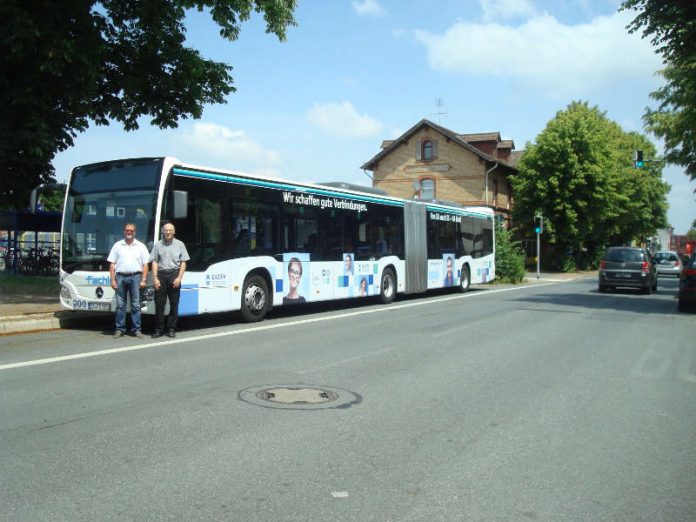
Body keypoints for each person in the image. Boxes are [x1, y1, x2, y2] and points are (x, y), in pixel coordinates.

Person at [108, 223, 150, 338]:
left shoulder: (141, 246)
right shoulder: (117, 245)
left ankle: (136, 330)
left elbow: (145, 264)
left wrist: (144, 280)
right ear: (124, 232)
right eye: (127, 230)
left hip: (136, 277)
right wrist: (112, 280)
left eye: (131, 231)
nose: (129, 232)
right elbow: (112, 264)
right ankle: (120, 329)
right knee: (120, 305)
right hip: (120, 277)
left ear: (135, 232)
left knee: (136, 305)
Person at [150, 222, 190, 338]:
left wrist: (179, 278)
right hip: (161, 275)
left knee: (174, 303)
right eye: (166, 230)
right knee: (159, 304)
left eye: (170, 230)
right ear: (163, 231)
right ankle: (159, 329)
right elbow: (155, 261)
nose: (168, 232)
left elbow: (183, 262)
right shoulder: (158, 245)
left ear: (174, 232)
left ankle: (171, 329)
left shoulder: (180, 244)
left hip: (174, 274)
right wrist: (155, 278)